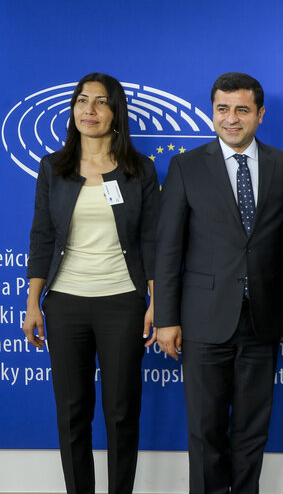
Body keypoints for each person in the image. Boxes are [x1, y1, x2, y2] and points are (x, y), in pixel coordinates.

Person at [154, 72, 283, 494]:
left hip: (264, 319)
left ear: (259, 114)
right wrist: (166, 318)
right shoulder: (185, 167)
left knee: (253, 431)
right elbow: (168, 251)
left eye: (241, 110)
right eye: (223, 109)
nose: (231, 119)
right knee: (205, 431)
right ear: (212, 113)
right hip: (202, 321)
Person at [22, 72, 159, 494]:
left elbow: (153, 239)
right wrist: (32, 302)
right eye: (82, 101)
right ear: (73, 110)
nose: (90, 110)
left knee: (121, 413)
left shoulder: (140, 170)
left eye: (101, 102)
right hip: (65, 303)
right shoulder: (54, 168)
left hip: (124, 302)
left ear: (116, 111)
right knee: (72, 411)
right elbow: (42, 235)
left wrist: (156, 302)